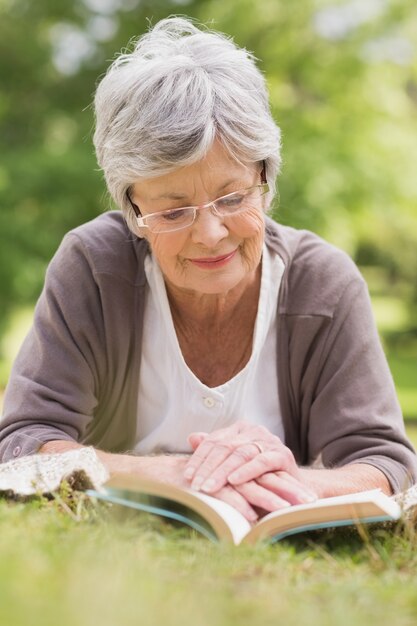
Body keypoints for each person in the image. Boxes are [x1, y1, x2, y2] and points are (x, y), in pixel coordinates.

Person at [0, 17, 415, 522]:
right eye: (173, 212)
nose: (211, 233)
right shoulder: (93, 267)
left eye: (233, 197)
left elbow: (385, 464)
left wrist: (276, 480)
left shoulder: (323, 284)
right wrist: (173, 475)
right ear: (133, 212)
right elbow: (22, 444)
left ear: (265, 177)